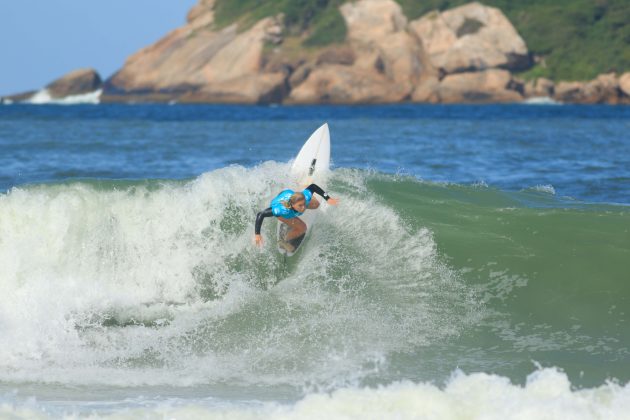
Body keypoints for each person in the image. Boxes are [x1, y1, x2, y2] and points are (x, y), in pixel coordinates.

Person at [255, 183, 339, 250]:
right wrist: (257, 234)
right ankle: (284, 240)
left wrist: (328, 198)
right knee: (303, 228)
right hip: (280, 202)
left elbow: (313, 186)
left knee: (316, 204)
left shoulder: (304, 198)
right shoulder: (281, 210)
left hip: (289, 194)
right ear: (293, 205)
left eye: (304, 204)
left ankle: (303, 186)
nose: (304, 208)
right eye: (300, 206)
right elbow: (260, 214)